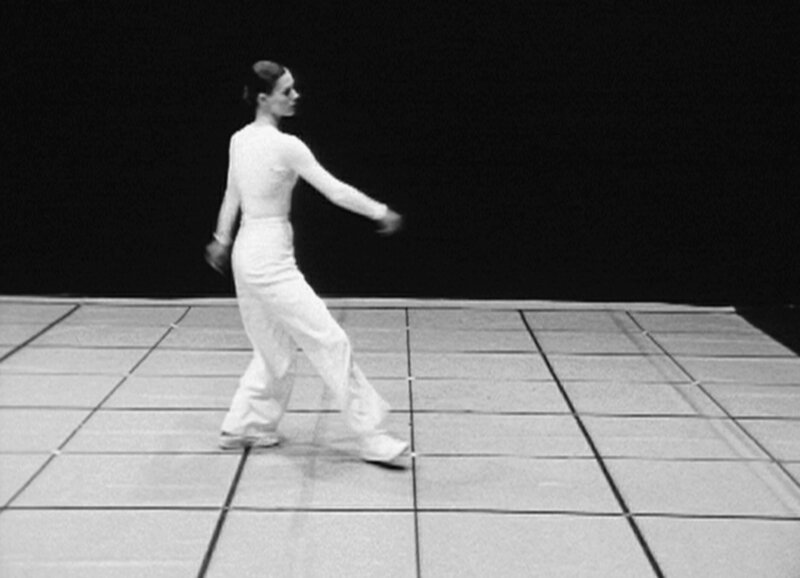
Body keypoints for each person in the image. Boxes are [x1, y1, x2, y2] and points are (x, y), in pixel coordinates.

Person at [205, 61, 409, 465]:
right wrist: (380, 211)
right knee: (329, 340)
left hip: (248, 252)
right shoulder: (286, 146)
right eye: (286, 91)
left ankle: (244, 426)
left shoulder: (239, 140)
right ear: (263, 99)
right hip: (268, 257)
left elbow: (231, 196)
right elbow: (335, 191)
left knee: (273, 350)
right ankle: (371, 435)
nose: (295, 95)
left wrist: (222, 240)